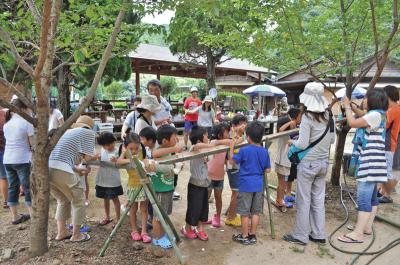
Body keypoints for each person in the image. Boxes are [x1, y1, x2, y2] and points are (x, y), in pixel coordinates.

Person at [283, 82, 336, 246]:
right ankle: (318, 234)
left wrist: (293, 142)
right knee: (318, 200)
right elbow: (333, 139)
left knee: (304, 200)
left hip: (308, 164)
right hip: (323, 163)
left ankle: (300, 235)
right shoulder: (330, 116)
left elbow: (303, 143)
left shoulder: (307, 117)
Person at [338, 89, 389, 244]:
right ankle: (366, 227)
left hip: (370, 163)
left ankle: (358, 234)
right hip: (376, 163)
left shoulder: (374, 115)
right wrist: (352, 107)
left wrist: (347, 106)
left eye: (366, 98)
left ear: (372, 100)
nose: (364, 100)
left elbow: (352, 123)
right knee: (372, 197)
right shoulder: (379, 114)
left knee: (364, 198)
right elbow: (361, 115)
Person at [49, 115, 96, 242]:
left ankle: (61, 232)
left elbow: (63, 157)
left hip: (48, 169)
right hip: (62, 170)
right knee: (78, 201)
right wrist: (96, 156)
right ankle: (76, 235)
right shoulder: (88, 132)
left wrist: (76, 169)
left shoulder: (69, 132)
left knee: (62, 200)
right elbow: (87, 158)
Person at [181, 126, 229, 240]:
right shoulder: (194, 148)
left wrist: (212, 146)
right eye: (206, 135)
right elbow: (198, 145)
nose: (208, 137)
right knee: (193, 208)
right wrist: (213, 145)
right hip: (195, 185)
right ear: (199, 139)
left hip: (204, 184)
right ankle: (187, 228)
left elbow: (208, 157)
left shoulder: (206, 150)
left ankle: (200, 228)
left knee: (203, 208)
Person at [230, 121, 271, 245]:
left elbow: (232, 161)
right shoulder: (264, 151)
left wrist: (232, 146)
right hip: (258, 185)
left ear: (248, 137)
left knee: (244, 212)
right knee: (255, 211)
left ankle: (244, 235)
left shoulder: (244, 150)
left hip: (245, 185)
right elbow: (268, 170)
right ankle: (252, 235)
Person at [3, 99, 34, 224]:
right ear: (23, 109)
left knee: (13, 187)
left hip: (8, 159)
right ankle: (32, 214)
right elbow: (32, 144)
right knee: (27, 187)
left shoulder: (7, 124)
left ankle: (15, 217)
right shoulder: (27, 123)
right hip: (22, 159)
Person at [117, 132, 151, 243]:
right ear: (126, 147)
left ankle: (144, 231)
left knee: (144, 209)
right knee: (133, 209)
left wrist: (145, 162)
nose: (134, 151)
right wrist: (129, 158)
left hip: (144, 184)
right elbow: (118, 162)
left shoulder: (142, 150)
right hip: (132, 185)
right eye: (131, 148)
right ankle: (134, 230)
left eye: (136, 148)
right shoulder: (126, 153)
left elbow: (145, 160)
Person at [151, 125, 178, 249]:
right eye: (174, 138)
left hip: (168, 189)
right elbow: (154, 153)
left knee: (165, 215)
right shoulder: (158, 152)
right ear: (164, 141)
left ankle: (162, 235)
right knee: (158, 217)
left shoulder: (169, 151)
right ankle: (158, 238)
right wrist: (175, 148)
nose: (176, 139)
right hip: (160, 191)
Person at [274, 107, 301, 208]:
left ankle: (279, 199)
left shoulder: (292, 125)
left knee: (282, 182)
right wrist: (291, 122)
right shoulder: (288, 125)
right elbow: (280, 130)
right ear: (294, 117)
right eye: (300, 116)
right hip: (283, 159)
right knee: (282, 182)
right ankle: (280, 200)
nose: (301, 119)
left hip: (283, 159)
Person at [205, 122, 231, 228]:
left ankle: (217, 216)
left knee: (218, 197)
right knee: (206, 197)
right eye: (226, 132)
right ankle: (204, 216)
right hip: (209, 175)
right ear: (220, 134)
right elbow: (229, 141)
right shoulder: (213, 142)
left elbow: (228, 158)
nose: (228, 133)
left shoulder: (227, 144)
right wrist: (230, 141)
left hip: (220, 176)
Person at [95, 132, 122, 226]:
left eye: (112, 143)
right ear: (103, 145)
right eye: (106, 145)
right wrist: (98, 159)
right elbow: (101, 162)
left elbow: (120, 165)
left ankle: (118, 219)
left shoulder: (118, 151)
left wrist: (116, 161)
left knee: (115, 199)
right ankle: (107, 216)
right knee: (105, 198)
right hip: (103, 179)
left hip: (113, 181)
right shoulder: (102, 150)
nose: (110, 146)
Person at [225, 114, 248, 227]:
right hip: (233, 168)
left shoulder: (242, 135)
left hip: (239, 167)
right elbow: (231, 144)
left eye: (245, 124)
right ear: (234, 126)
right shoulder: (232, 135)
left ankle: (232, 214)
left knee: (237, 192)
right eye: (241, 124)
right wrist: (235, 134)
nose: (244, 126)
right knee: (235, 193)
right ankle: (230, 218)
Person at [379, 85, 400, 203]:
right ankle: (383, 191)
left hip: (388, 143)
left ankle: (387, 195)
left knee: (386, 171)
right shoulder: (395, 108)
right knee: (384, 169)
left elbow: (384, 124)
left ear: (388, 95)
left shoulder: (393, 110)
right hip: (390, 143)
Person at [0, 106, 8, 209]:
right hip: (4, 149)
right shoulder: (4, 114)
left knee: (3, 177)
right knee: (4, 177)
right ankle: (7, 201)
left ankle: (6, 200)